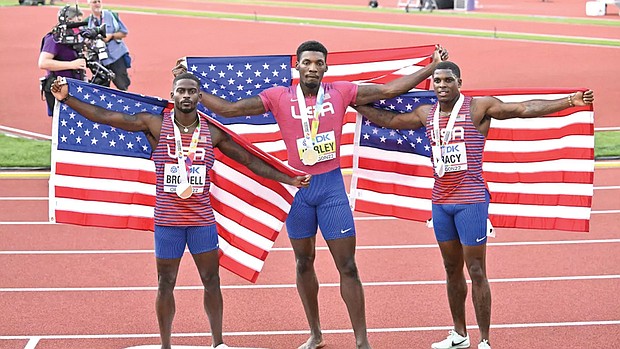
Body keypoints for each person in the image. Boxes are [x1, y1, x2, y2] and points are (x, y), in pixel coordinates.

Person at [172, 40, 449, 349]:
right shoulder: (278, 97)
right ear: (298, 66)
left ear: (326, 67)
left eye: (319, 63)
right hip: (299, 192)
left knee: (348, 266)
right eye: (307, 62)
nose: (313, 67)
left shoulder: (341, 92)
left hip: (331, 190)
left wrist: (432, 68)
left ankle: (362, 342)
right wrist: (192, 86)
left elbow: (387, 91)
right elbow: (230, 109)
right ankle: (316, 334)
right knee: (303, 262)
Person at [49, 73, 311, 349]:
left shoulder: (212, 133)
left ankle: (218, 342)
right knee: (165, 283)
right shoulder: (154, 124)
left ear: (200, 97)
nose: (186, 96)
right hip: (168, 222)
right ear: (172, 95)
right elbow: (106, 116)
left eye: (191, 92)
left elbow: (248, 161)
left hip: (201, 222)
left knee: (211, 280)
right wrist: (67, 99)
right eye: (181, 92)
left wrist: (289, 179)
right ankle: (165, 345)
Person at [352, 61, 594, 349]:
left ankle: (485, 340)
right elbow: (389, 121)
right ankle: (459, 334)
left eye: (448, 81)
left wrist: (570, 101)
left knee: (476, 270)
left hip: (471, 201)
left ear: (459, 83)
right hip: (441, 202)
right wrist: (353, 104)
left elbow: (522, 109)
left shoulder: (479, 108)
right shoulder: (425, 113)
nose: (442, 86)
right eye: (438, 81)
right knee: (451, 268)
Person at [38, 4, 87, 116]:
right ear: (68, 19)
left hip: (75, 85)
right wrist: (72, 64)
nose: (80, 24)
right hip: (58, 87)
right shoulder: (53, 38)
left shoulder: (76, 38)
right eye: (78, 20)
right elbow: (43, 62)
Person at [86, 0, 131, 90]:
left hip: (116, 56)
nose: (97, 4)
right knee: (102, 87)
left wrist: (111, 36)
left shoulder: (111, 15)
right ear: (89, 4)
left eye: (99, 1)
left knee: (122, 84)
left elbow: (124, 32)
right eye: (94, 2)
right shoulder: (87, 22)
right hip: (100, 59)